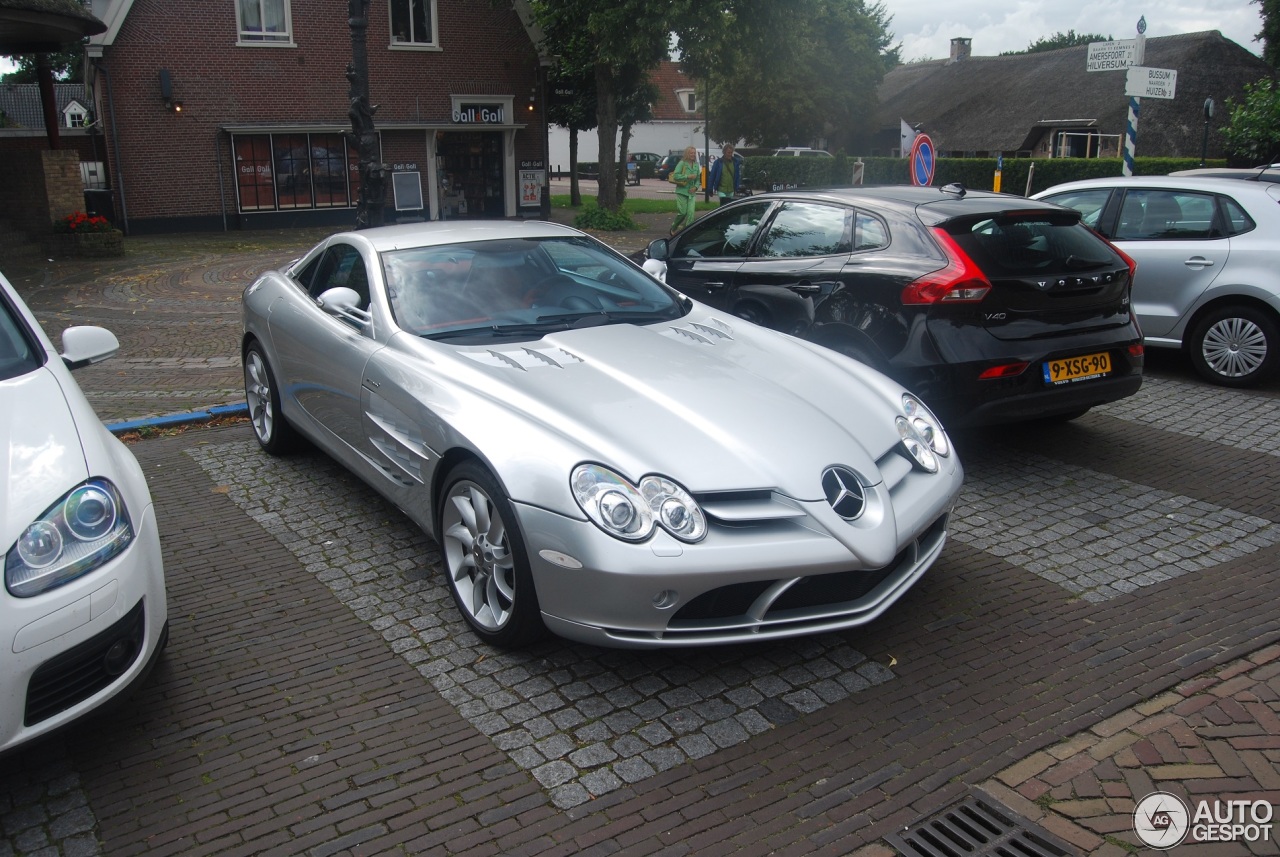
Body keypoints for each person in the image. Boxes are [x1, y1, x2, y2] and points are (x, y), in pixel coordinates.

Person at [669, 146, 701, 236]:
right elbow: (675, 176)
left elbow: (698, 179)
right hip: (682, 191)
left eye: (694, 153)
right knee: (682, 213)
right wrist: (687, 176)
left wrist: (696, 187)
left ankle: (686, 233)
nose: (693, 155)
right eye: (691, 153)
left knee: (691, 213)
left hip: (692, 193)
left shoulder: (696, 165)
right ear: (687, 154)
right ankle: (674, 227)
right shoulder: (682, 163)